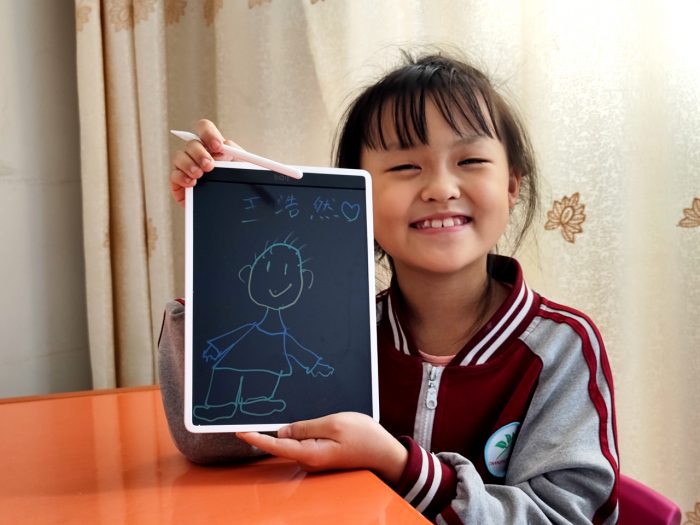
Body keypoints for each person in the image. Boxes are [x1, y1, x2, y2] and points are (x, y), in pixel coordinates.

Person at [160, 52, 619, 524]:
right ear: (359, 193)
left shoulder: (560, 348)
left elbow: (567, 515)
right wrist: (222, 219)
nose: (441, 188)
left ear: (511, 186)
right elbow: (214, 444)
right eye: (405, 167)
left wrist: (401, 467)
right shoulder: (337, 333)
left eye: (471, 160)